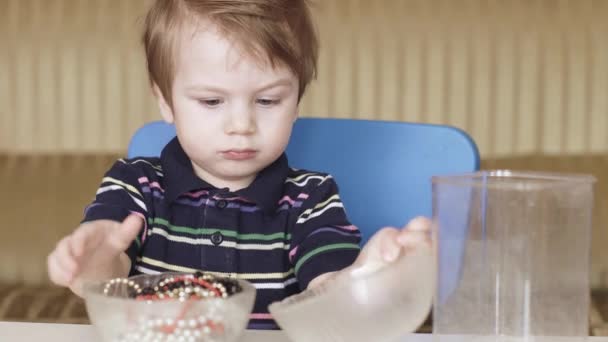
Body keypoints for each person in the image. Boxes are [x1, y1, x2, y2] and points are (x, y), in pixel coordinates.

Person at [47, 0, 431, 329]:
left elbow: (328, 289)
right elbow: (108, 271)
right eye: (212, 102)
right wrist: (92, 267)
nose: (241, 126)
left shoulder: (311, 197)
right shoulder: (134, 183)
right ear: (165, 100)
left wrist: (365, 279)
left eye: (267, 101)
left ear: (297, 100)